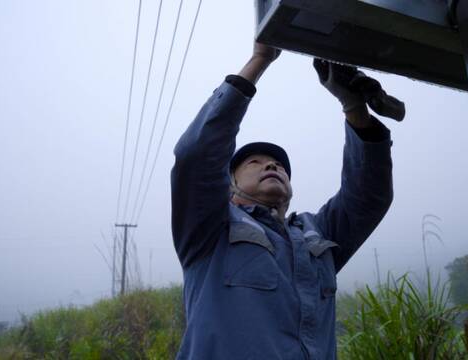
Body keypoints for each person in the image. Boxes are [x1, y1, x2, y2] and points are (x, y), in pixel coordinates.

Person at [171, 42, 402, 359]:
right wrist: (260, 59)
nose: (271, 165)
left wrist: (355, 109)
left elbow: (368, 197)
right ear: (230, 186)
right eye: (254, 163)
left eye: (279, 166)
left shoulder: (315, 235)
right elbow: (196, 156)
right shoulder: (209, 228)